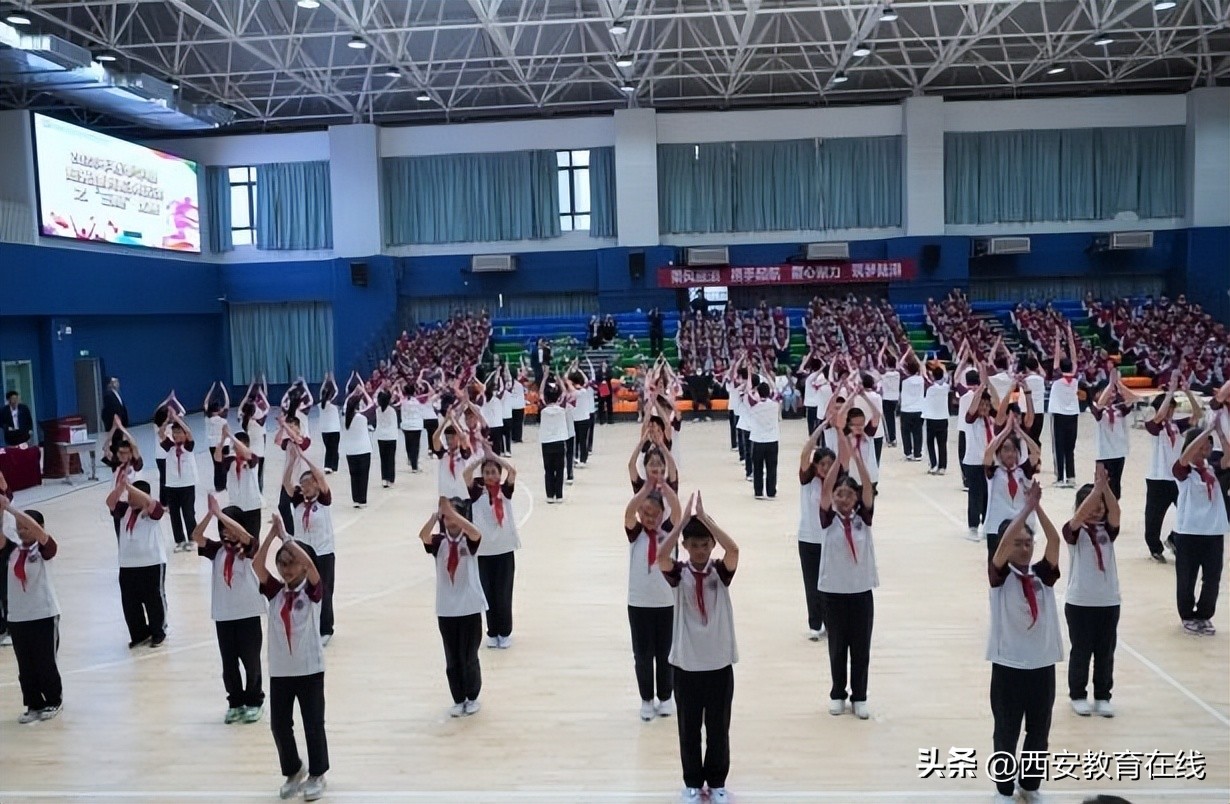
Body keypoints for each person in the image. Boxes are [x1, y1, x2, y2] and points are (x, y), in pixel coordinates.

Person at [659, 491, 739, 804]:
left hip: (719, 662)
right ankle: (692, 781)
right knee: (689, 728)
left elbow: (733, 549)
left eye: (705, 544)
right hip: (687, 664)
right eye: (694, 545)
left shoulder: (720, 571)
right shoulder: (679, 573)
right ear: (686, 547)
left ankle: (717, 780)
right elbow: (662, 557)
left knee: (718, 728)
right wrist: (681, 524)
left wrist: (705, 519)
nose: (701, 550)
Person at [987, 483, 1063, 804]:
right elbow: (1003, 544)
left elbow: (1055, 540)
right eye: (1018, 543)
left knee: (1038, 731)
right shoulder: (1000, 578)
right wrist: (1025, 511)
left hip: (1041, 664)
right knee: (1006, 731)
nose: (1024, 547)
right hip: (1009, 666)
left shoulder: (1042, 576)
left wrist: (1037, 509)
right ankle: (1004, 789)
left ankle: (1029, 785)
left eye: (1028, 542)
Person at [252, 517, 329, 802]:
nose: (286, 568)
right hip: (281, 671)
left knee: (312, 723)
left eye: (291, 562)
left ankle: (318, 773)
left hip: (309, 669)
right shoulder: (275, 592)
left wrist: (287, 538)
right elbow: (257, 566)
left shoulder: (312, 592)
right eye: (282, 563)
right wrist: (272, 535)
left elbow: (310, 566)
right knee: (279, 724)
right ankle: (293, 769)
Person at [818, 428, 878, 719]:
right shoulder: (828, 519)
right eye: (839, 494)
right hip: (834, 591)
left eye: (849, 494)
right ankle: (837, 693)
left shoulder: (863, 518)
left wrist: (857, 459)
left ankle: (861, 695)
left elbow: (867, 486)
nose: (843, 498)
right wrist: (840, 464)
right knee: (837, 646)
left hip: (861, 590)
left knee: (861, 648)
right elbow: (826, 489)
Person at [191, 496, 266, 725]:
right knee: (229, 663)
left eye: (229, 527)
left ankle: (254, 701)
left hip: (248, 613)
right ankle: (235, 702)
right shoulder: (217, 550)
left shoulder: (249, 548)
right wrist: (211, 515)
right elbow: (196, 536)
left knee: (251, 661)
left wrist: (222, 515)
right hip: (224, 615)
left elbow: (245, 536)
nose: (225, 532)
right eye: (222, 528)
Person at [419, 496, 486, 717]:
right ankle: (458, 698)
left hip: (470, 605)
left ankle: (472, 696)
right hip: (447, 607)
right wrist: (435, 516)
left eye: (454, 516)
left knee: (469, 655)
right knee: (452, 657)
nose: (450, 520)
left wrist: (454, 513)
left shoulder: (469, 539)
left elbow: (477, 533)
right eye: (446, 517)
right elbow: (423, 536)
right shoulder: (439, 542)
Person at [1063, 465, 1121, 718]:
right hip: (1080, 602)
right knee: (1082, 650)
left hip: (1108, 601)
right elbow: (1078, 517)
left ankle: (1102, 695)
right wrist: (1095, 491)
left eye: (1100, 505)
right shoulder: (1074, 532)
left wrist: (1105, 489)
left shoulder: (1107, 531)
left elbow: (1116, 512)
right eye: (1092, 504)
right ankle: (1077, 693)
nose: (1097, 509)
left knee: (1105, 651)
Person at [624, 474, 683, 721]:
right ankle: (646, 698)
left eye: (654, 514)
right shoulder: (635, 533)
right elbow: (628, 513)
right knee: (643, 654)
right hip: (638, 603)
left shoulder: (668, 533)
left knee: (665, 652)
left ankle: (666, 697)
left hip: (666, 602)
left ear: (662, 515)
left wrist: (665, 488)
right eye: (645, 513)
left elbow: (678, 512)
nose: (650, 518)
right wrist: (645, 490)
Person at [0, 496, 62, 723]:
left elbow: (36, 531)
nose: (23, 531)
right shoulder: (12, 551)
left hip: (43, 613)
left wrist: (11, 508)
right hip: (18, 617)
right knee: (25, 666)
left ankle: (54, 700)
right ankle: (33, 703)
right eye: (19, 529)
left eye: (26, 527)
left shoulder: (45, 549)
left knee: (45, 662)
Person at [1172, 421, 1230, 636]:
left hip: (1213, 531)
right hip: (1189, 531)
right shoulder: (1184, 471)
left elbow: (1227, 457)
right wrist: (1204, 431)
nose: (1207, 447)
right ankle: (1187, 615)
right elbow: (1185, 457)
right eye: (1204, 444)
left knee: (1212, 576)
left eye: (1209, 444)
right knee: (1187, 577)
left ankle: (1205, 614)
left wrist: (1220, 433)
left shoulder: (1213, 467)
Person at [282, 444, 337, 644]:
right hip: (303, 552)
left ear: (315, 484)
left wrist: (304, 457)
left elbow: (321, 476)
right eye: (302, 485)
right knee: (304, 590)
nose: (304, 488)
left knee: (325, 589)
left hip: (323, 552)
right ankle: (307, 625)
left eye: (308, 484)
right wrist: (292, 461)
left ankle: (326, 629)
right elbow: (287, 482)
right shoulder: (298, 501)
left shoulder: (323, 500)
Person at [465, 452, 520, 649]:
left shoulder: (505, 491)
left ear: (499, 474)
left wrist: (495, 458)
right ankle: (492, 631)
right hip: (483, 552)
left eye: (493, 472)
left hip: (504, 550)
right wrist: (481, 459)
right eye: (486, 473)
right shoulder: (476, 493)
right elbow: (466, 475)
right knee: (487, 594)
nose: (490, 476)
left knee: (503, 593)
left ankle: (505, 632)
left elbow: (512, 471)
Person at [1143, 376, 1201, 562]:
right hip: (1158, 477)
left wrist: (1187, 392)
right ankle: (1154, 547)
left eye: (1173, 408)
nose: (1171, 411)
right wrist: (1170, 392)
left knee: (1189, 510)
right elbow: (1159, 416)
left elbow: (1197, 415)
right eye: (1169, 407)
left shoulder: (1177, 425)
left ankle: (1174, 538)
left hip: (1177, 477)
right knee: (1153, 517)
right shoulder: (1154, 426)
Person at [105, 478, 168, 648]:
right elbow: (110, 502)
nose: (129, 499)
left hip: (152, 562)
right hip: (127, 564)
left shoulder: (152, 513)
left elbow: (153, 505)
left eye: (133, 495)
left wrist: (133, 489)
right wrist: (121, 487)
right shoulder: (124, 510)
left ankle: (158, 631)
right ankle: (139, 633)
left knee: (154, 599)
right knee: (130, 602)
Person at [797, 426, 836, 641]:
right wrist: (820, 428)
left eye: (830, 465)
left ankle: (831, 622)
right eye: (822, 464)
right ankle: (815, 623)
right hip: (808, 538)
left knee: (830, 583)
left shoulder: (838, 483)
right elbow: (804, 454)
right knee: (811, 583)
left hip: (831, 538)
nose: (826, 468)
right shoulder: (807, 481)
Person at [158, 410, 200, 553]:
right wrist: (167, 421)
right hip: (172, 485)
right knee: (174, 514)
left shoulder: (188, 446)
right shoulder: (169, 446)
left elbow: (189, 432)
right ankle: (180, 540)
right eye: (174, 433)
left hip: (187, 484)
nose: (176, 435)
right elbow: (161, 433)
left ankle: (193, 538)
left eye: (179, 432)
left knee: (188, 512)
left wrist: (177, 418)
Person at [1049, 325, 1083, 488]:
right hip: (1073, 415)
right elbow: (1074, 356)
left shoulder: (1057, 377)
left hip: (1059, 415)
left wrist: (1057, 338)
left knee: (1059, 447)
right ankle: (1071, 476)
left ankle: (1060, 477)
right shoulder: (1075, 378)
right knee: (1070, 447)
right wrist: (1070, 335)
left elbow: (1056, 357)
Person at [744, 376, 781, 501]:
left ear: (758, 393)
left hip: (758, 440)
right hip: (772, 440)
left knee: (758, 467)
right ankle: (771, 491)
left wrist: (749, 375)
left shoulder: (754, 405)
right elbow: (776, 391)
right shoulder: (775, 404)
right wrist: (767, 376)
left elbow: (748, 391)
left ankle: (758, 491)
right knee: (772, 467)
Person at [341, 388, 374, 508]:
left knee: (354, 476)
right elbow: (372, 404)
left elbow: (346, 404)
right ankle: (362, 500)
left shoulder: (345, 418)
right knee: (363, 476)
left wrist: (352, 395)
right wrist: (364, 391)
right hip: (363, 450)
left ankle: (356, 499)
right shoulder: (361, 417)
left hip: (350, 451)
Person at [538, 375, 568, 504]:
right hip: (560, 441)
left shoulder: (543, 410)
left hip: (546, 442)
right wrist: (560, 379)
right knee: (560, 470)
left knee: (548, 469)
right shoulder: (562, 410)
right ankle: (559, 495)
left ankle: (550, 495)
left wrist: (544, 377)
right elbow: (565, 393)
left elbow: (540, 393)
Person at [203, 381, 231, 494]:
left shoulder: (207, 419)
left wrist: (211, 389)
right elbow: (227, 403)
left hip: (213, 444)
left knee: (216, 465)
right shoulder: (223, 419)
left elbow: (205, 403)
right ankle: (224, 485)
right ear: (218, 409)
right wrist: (224, 388)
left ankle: (218, 486)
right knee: (225, 464)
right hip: (225, 443)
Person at [922, 363, 950, 475]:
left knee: (930, 443)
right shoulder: (946, 387)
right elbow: (946, 376)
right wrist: (942, 365)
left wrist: (923, 364)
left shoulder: (930, 389)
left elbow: (924, 375)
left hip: (932, 418)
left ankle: (933, 465)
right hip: (943, 418)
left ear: (933, 376)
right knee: (942, 444)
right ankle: (943, 467)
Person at [373, 386, 401, 489]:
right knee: (391, 459)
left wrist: (381, 386)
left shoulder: (377, 410)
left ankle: (384, 479)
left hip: (381, 436)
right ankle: (391, 479)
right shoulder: (392, 410)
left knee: (383, 458)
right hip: (391, 437)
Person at [317, 375, 342, 475]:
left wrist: (324, 381)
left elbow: (321, 393)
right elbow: (336, 391)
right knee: (334, 448)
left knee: (328, 448)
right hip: (334, 429)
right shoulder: (333, 406)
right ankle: (333, 466)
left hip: (324, 430)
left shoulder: (320, 405)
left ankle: (328, 466)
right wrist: (333, 380)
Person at [101, 377, 129, 445]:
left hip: (121, 423)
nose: (117, 383)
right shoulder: (108, 395)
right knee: (115, 441)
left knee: (120, 440)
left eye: (117, 381)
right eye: (115, 382)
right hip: (114, 424)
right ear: (111, 384)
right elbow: (110, 410)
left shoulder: (117, 394)